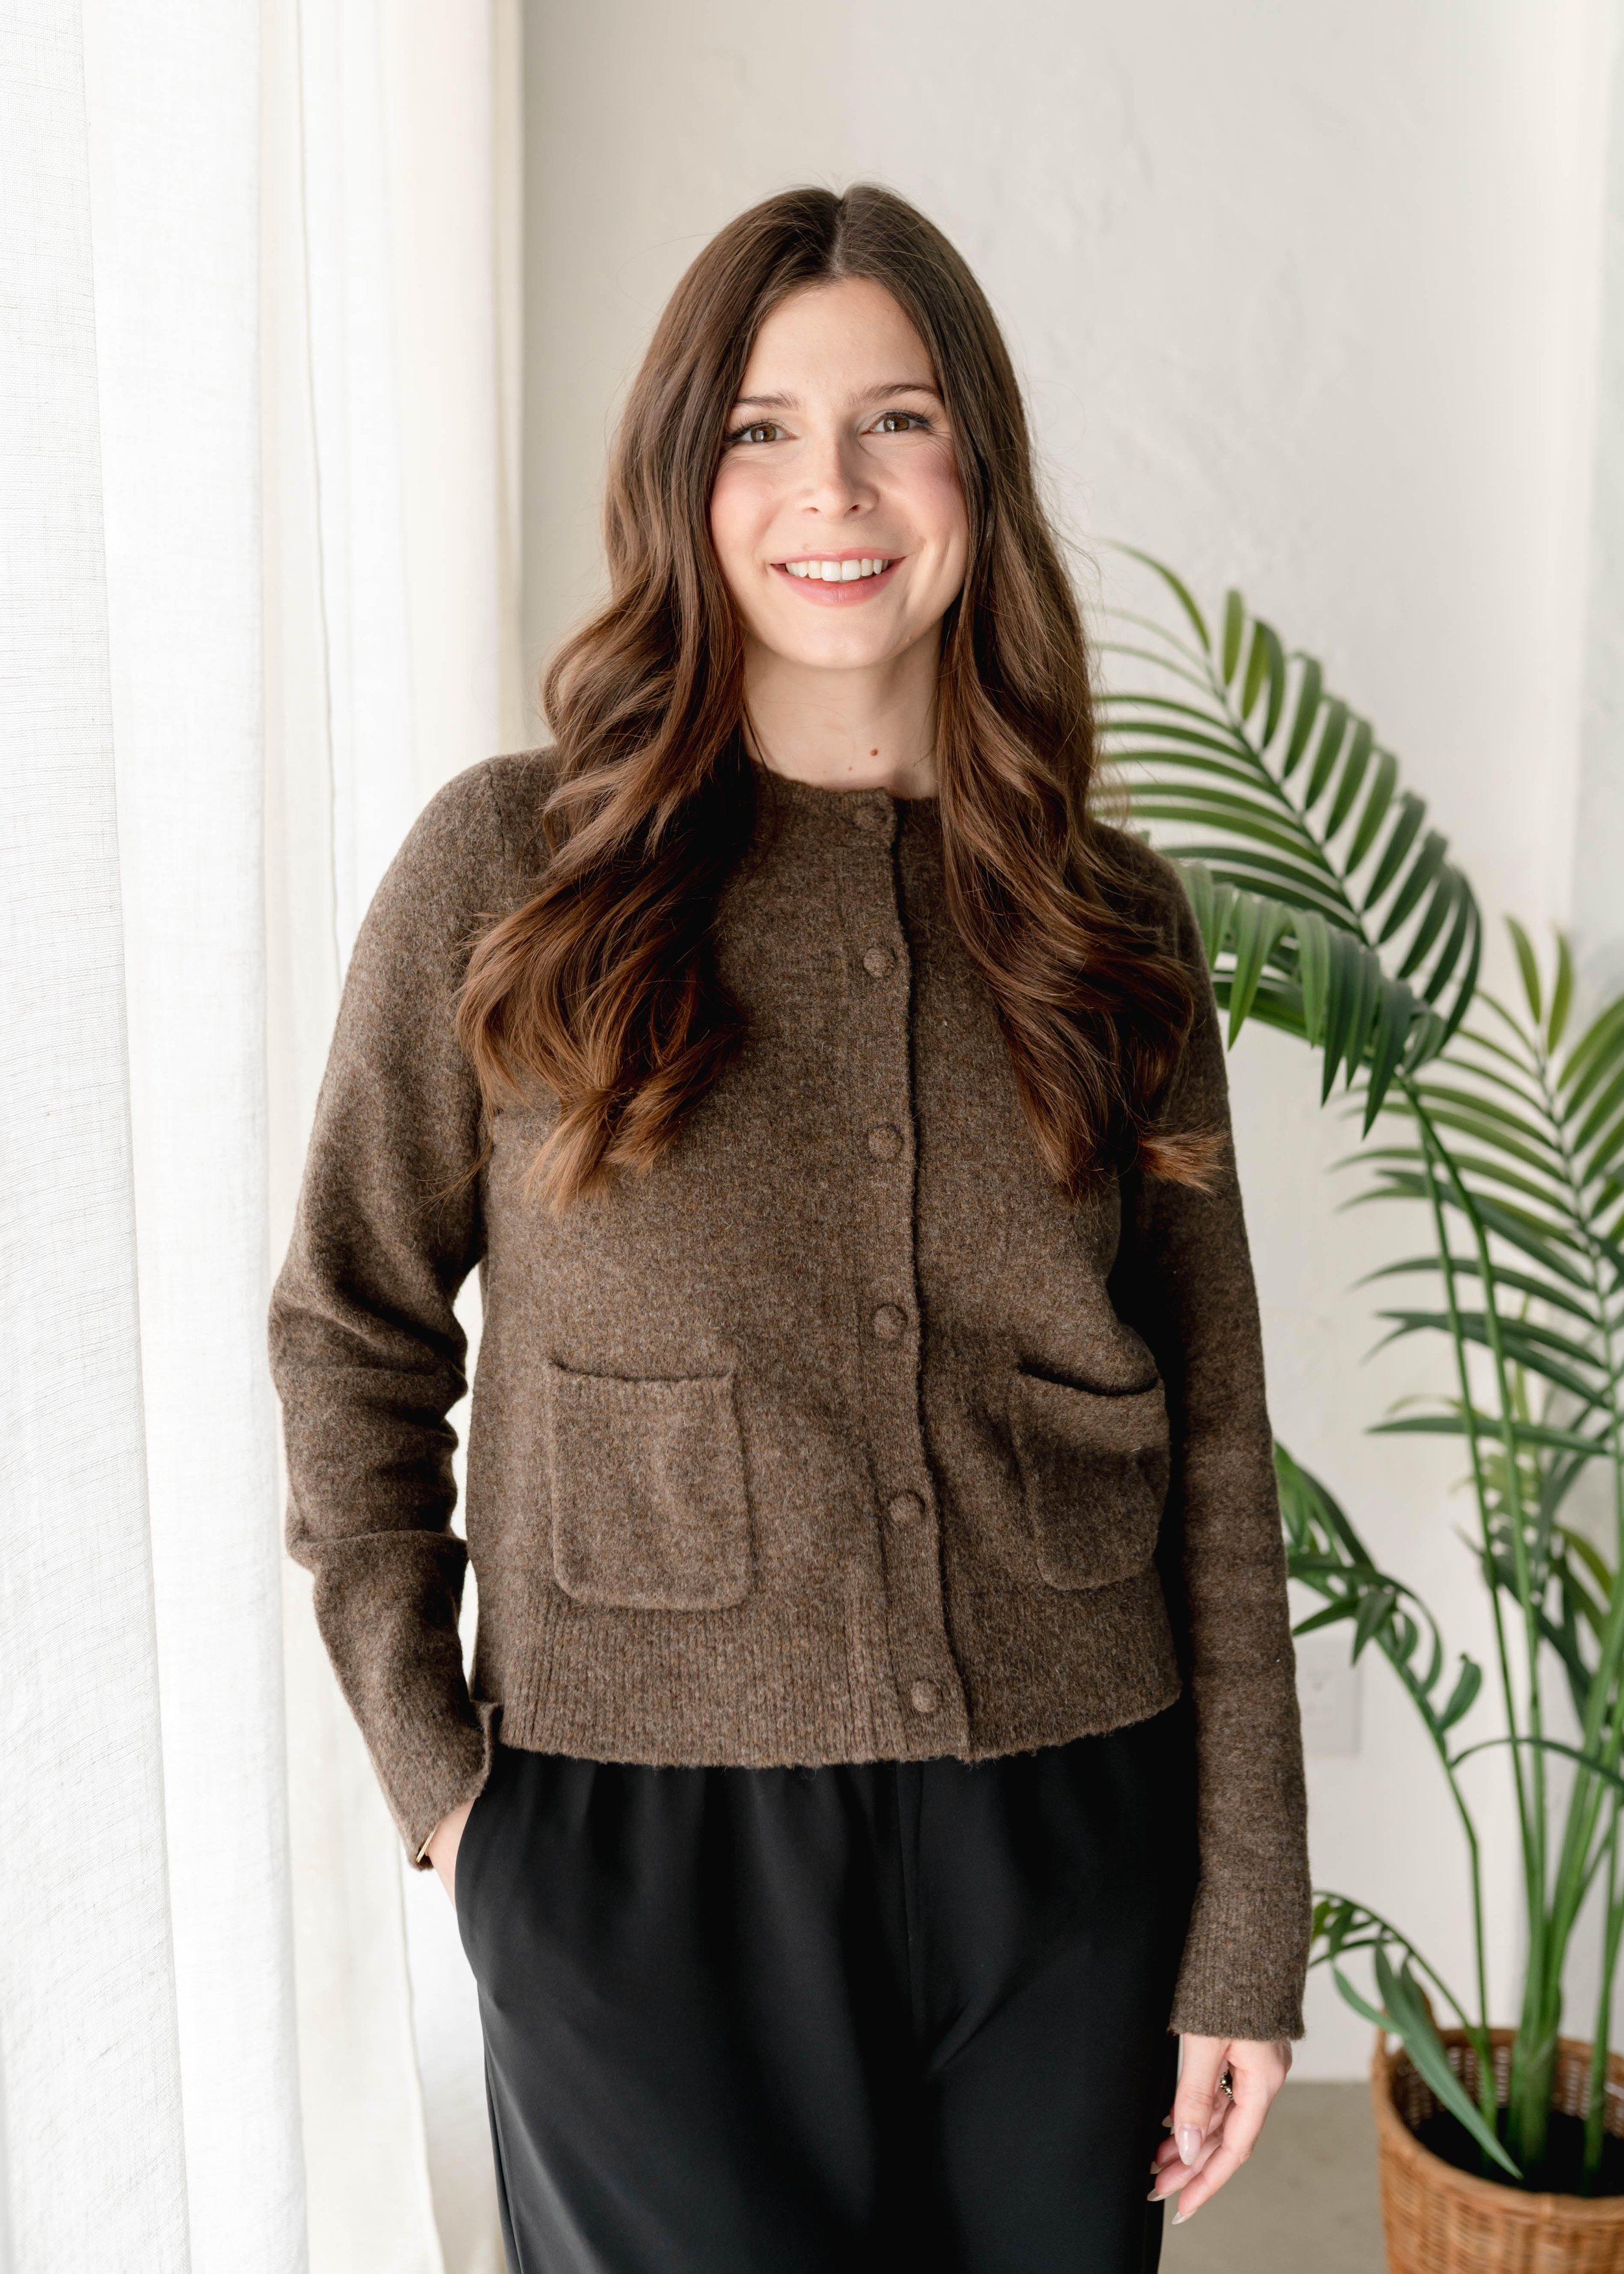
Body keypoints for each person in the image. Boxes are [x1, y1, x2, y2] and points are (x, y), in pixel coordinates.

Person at [268, 181, 1311, 2273]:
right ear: (685, 475)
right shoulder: (508, 863)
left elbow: (1212, 1431)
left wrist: (1243, 1923)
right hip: (639, 1851)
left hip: (1067, 1829)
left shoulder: (1104, 921)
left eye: (895, 421)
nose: (830, 489)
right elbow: (351, 1329)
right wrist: (456, 1804)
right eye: (759, 428)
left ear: (973, 473)